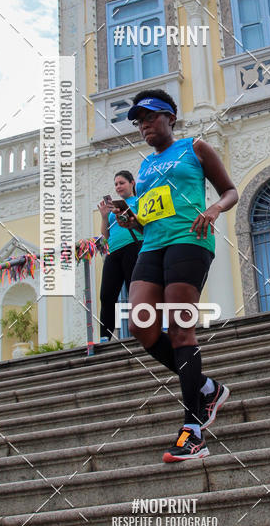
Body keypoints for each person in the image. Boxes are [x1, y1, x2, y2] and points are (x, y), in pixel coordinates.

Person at [117, 89, 238, 463]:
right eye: (139, 122)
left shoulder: (195, 147)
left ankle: (194, 430)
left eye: (150, 117)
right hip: (153, 244)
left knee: (181, 327)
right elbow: (147, 212)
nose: (144, 126)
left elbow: (230, 190)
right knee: (139, 324)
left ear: (170, 116)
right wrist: (131, 217)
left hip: (190, 239)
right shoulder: (145, 168)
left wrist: (215, 209)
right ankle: (206, 387)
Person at [97, 171, 142, 341]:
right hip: (114, 251)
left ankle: (140, 330)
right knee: (107, 294)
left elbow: (143, 221)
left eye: (121, 183)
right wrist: (104, 216)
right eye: (116, 184)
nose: (118, 187)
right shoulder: (112, 210)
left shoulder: (138, 201)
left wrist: (127, 212)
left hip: (134, 245)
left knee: (135, 291)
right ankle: (105, 336)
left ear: (132, 183)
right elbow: (105, 234)